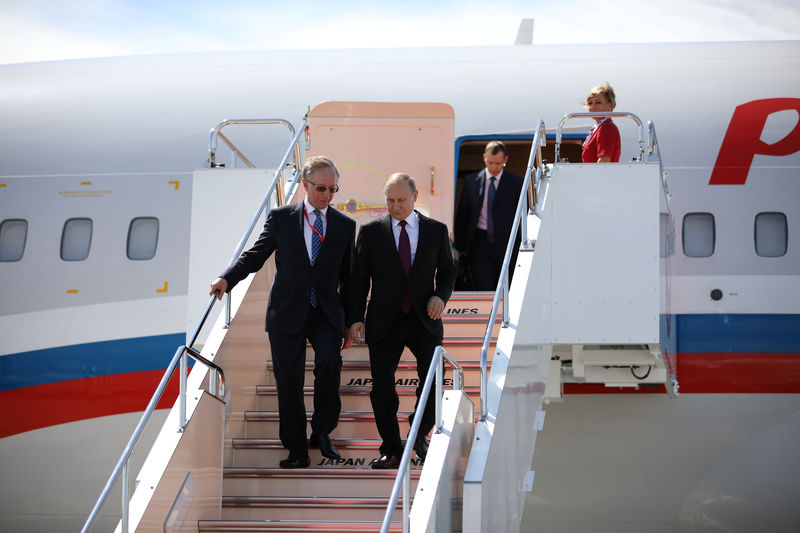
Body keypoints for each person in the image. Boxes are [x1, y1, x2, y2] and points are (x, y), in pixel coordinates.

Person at [209, 156, 355, 469]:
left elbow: (350, 278)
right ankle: (296, 448)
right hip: (287, 312)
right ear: (305, 184)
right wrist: (227, 278)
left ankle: (322, 430)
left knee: (329, 365)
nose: (327, 195)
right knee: (288, 382)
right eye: (320, 188)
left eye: (333, 189)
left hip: (326, 313)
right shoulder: (282, 218)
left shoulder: (345, 225)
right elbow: (256, 255)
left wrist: (352, 320)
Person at [348, 173, 456, 469]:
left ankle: (419, 432)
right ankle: (392, 450)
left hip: (425, 318)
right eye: (390, 200)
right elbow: (359, 280)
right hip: (384, 321)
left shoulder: (436, 230)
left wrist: (440, 297)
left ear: (415, 196)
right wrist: (355, 318)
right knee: (382, 388)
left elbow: (447, 272)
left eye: (401, 200)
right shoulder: (370, 232)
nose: (395, 206)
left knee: (434, 382)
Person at [453, 140, 523, 291]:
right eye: (490, 162)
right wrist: (460, 247)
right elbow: (463, 214)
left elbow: (523, 215)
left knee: (507, 290)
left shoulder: (516, 183)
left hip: (507, 244)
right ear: (484, 158)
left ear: (506, 160)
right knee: (484, 289)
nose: (494, 167)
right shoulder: (471, 181)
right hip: (480, 244)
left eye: (498, 163)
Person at [582, 82, 621, 163]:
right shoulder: (598, 127)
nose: (593, 107)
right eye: (590, 103)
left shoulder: (606, 127)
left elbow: (604, 161)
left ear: (610, 105)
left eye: (598, 102)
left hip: (599, 175)